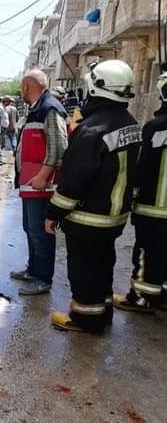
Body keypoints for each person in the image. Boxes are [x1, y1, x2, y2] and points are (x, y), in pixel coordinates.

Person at [45, 60, 141, 333]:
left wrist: (53, 213)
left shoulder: (91, 130)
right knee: (103, 263)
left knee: (84, 269)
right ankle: (103, 311)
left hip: (88, 219)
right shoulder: (132, 125)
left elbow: (73, 181)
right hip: (115, 217)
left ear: (96, 87)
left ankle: (86, 319)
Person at [114, 72, 167, 313]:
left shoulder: (156, 128)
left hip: (154, 208)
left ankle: (141, 298)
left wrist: (130, 199)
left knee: (148, 252)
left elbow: (140, 167)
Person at [12, 69, 68, 295]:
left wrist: (43, 176)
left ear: (26, 86)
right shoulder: (37, 108)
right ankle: (33, 270)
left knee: (40, 231)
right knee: (30, 228)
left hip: (42, 185)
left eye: (21, 87)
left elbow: (59, 146)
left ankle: (43, 278)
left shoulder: (50, 108)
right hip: (31, 183)